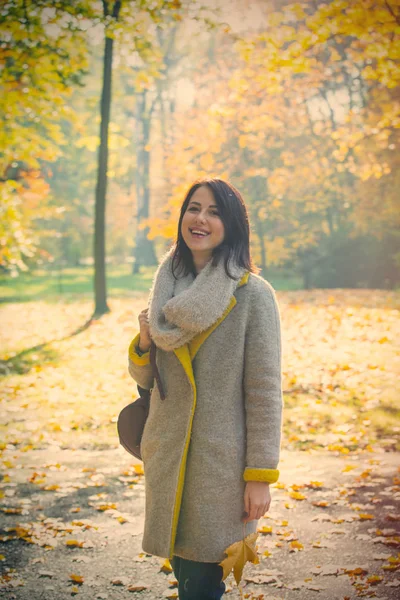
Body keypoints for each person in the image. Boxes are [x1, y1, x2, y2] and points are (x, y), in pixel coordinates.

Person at [128, 177, 283, 599]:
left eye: (215, 212)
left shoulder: (254, 296)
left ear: (232, 226)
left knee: (202, 583)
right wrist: (143, 346)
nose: (201, 219)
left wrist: (260, 475)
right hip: (169, 457)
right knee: (185, 574)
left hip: (220, 468)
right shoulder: (167, 287)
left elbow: (265, 392)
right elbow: (149, 383)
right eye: (194, 208)